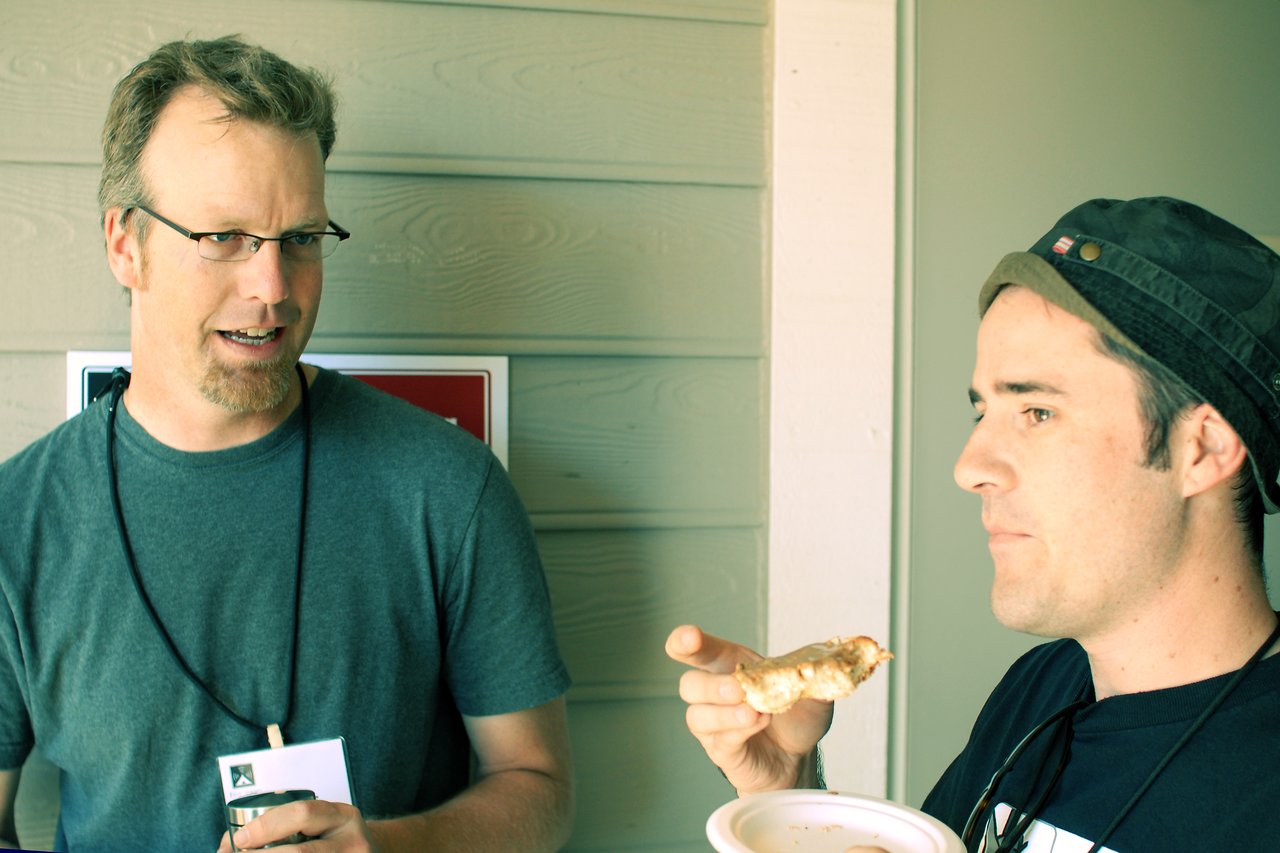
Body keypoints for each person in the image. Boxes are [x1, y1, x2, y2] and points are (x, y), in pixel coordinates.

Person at [0, 36, 573, 852]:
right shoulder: (17, 521)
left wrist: (392, 847)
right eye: (224, 236)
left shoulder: (446, 486)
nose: (272, 288)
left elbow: (540, 788)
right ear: (127, 245)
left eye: (301, 238)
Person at [669, 196, 1280, 851]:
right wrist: (786, 795)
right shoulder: (1040, 688)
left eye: (1037, 412)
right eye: (981, 412)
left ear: (1203, 448)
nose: (968, 466)